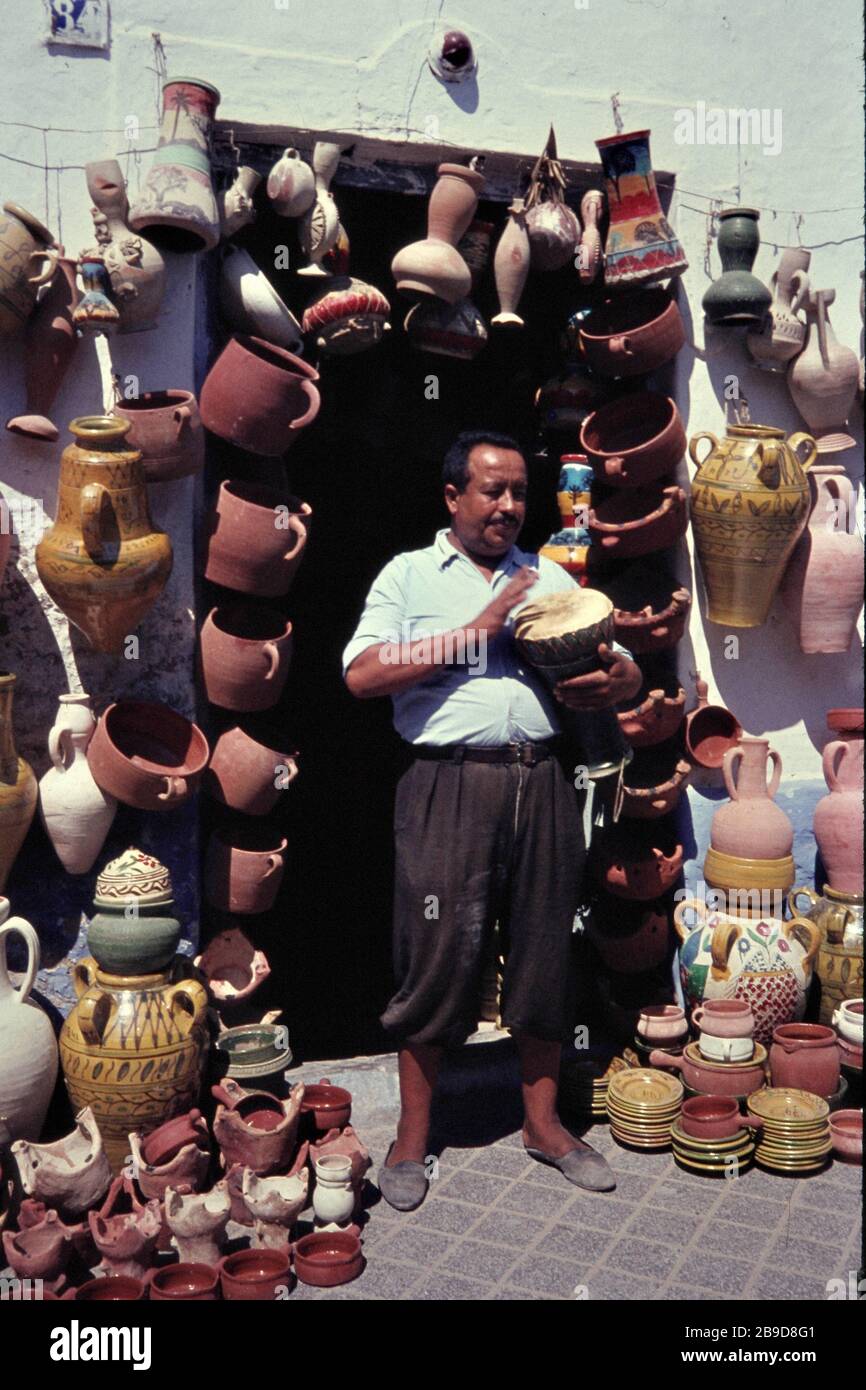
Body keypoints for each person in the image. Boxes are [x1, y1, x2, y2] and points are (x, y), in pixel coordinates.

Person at [342, 430, 641, 1209]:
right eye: (491, 491)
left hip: (541, 780)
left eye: (518, 492)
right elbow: (363, 674)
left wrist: (622, 673)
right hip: (448, 783)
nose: (509, 506)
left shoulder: (546, 573)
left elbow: (612, 659)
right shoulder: (410, 574)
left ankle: (543, 1127)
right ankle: (413, 1139)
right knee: (435, 955)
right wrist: (479, 627)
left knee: (546, 948)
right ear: (453, 496)